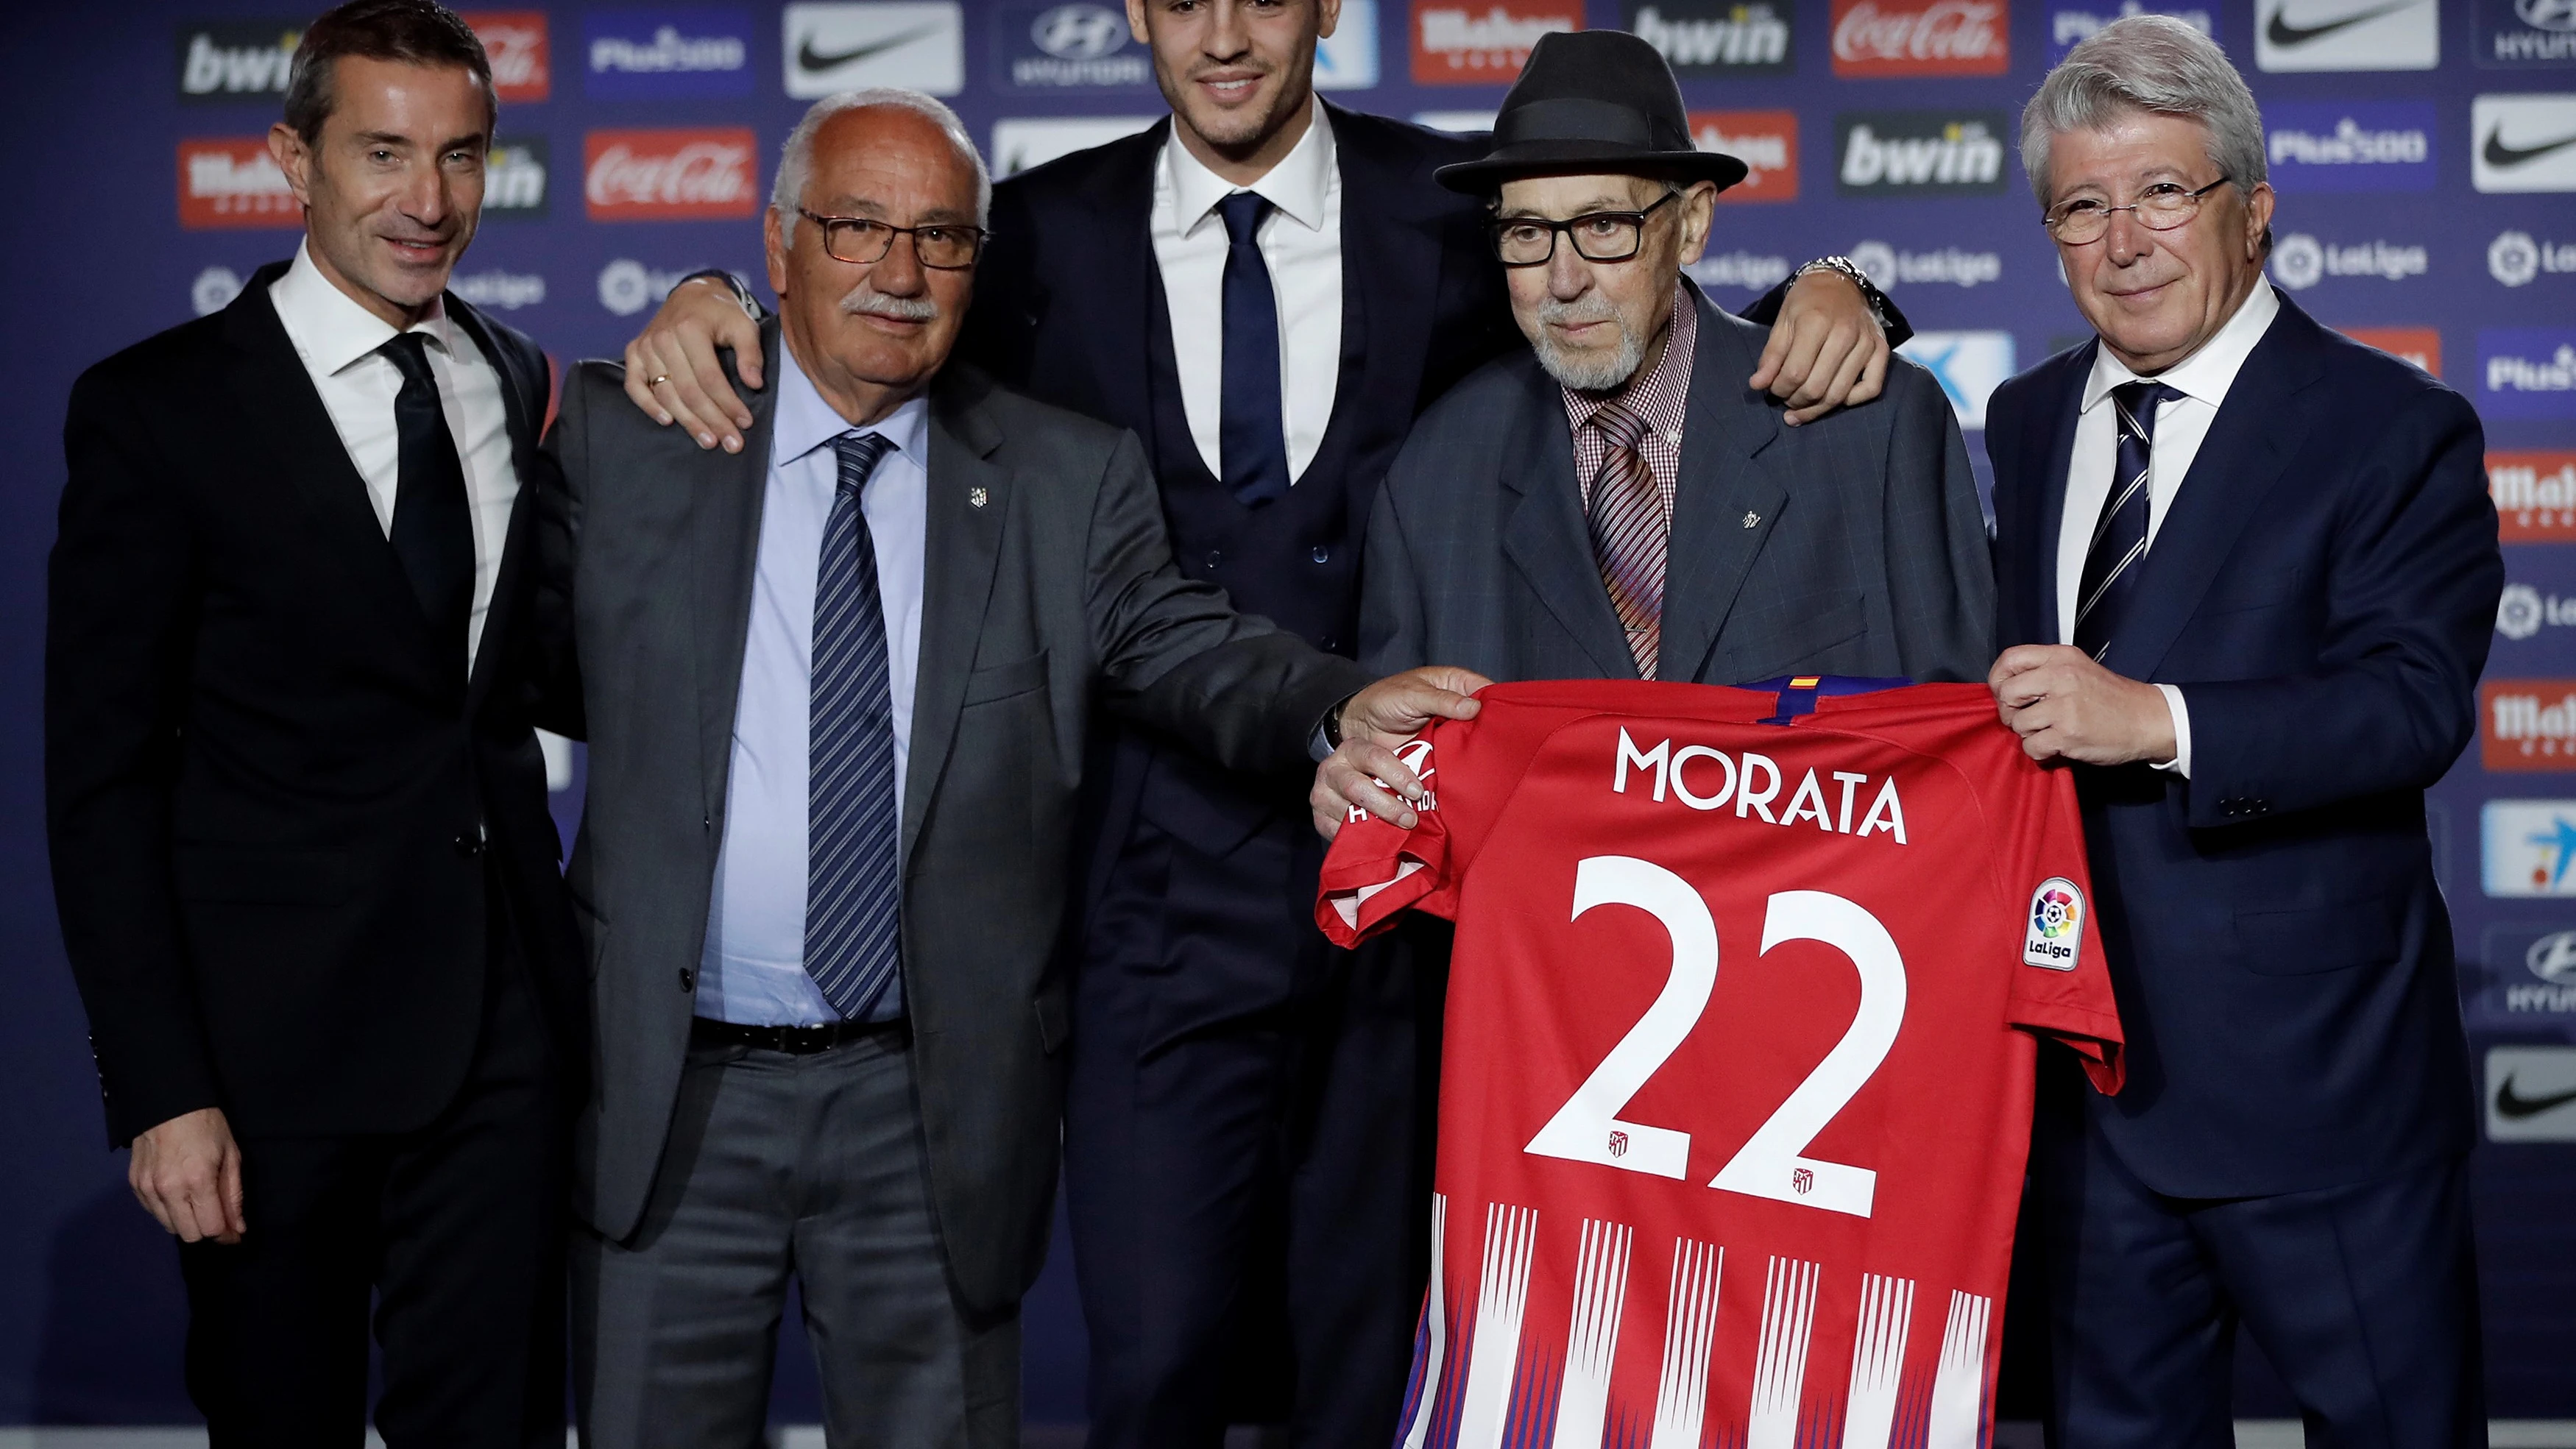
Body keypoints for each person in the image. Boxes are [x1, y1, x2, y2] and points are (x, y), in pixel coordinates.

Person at [623, 8, 1902, 1442]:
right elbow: (866, 316)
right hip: (1144, 902)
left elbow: (1628, 285)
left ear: (1326, 13)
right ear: (1132, 16)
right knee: (1157, 1366)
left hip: (1416, 902)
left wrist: (1846, 287)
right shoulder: (1038, 231)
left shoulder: (1449, 202)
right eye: (1182, 0)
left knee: (1373, 1373)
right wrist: (709, 290)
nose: (1222, 33)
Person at [536, 87, 1476, 1448]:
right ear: (779, 240)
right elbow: (515, 672)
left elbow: (1181, 642)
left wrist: (1337, 712)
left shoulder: (1059, 476)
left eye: (943, 238)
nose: (902, 274)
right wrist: (698, 295)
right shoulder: (635, 433)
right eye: (858, 229)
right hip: (675, 1097)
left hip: (929, 1109)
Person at [46, 1, 579, 1442]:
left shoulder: (517, 378)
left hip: (504, 1040)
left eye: (462, 157)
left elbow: (520, 682)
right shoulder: (159, 413)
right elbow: (98, 786)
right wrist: (162, 1089)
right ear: (293, 158)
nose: (429, 201)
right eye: (386, 154)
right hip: (269, 1060)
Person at [1980, 18, 2498, 1444]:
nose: (2123, 238)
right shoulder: (2024, 420)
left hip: (2319, 1101)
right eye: (2081, 206)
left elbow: (2408, 706)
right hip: (2084, 1096)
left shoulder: (2392, 429)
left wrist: (2148, 719)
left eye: (2163, 192)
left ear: (2253, 212)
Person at [1317, 29, 1994, 835]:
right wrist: (1363, 800)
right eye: (1527, 233)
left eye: (1604, 225)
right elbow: (1403, 790)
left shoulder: (1869, 429)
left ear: (1694, 223)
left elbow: (1970, 767)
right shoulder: (1435, 474)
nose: (1562, 282)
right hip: (1550, 958)